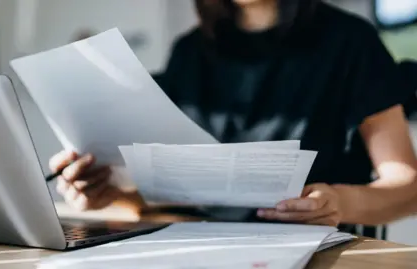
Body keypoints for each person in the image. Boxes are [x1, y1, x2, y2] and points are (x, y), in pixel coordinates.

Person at [49, 0, 417, 231]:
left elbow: (408, 188)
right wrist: (110, 193)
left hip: (314, 250)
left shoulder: (351, 42)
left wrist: (338, 201)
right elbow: (178, 198)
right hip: (204, 248)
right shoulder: (189, 53)